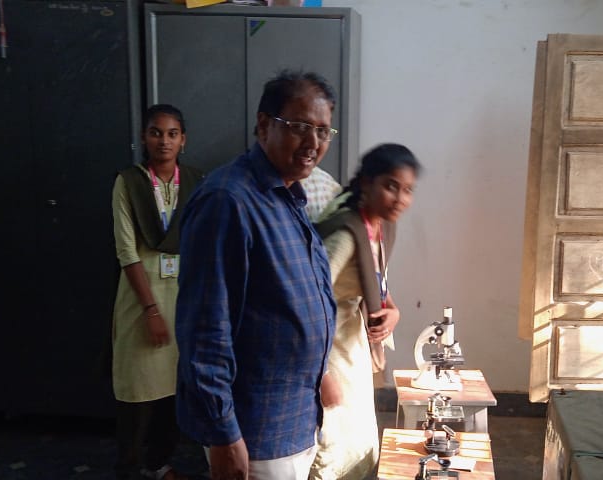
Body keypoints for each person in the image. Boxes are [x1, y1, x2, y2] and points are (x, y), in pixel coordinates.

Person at [175, 70, 338, 480]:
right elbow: (205, 329)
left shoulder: (288, 194)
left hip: (296, 417)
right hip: (256, 431)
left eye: (323, 131)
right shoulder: (228, 200)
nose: (314, 143)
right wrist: (223, 434)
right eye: (300, 126)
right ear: (264, 125)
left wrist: (321, 370)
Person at [310, 143, 422, 480]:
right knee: (331, 443)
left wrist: (393, 310)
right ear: (366, 183)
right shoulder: (346, 234)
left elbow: (375, 279)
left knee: (357, 438)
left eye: (408, 190)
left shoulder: (379, 224)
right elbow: (306, 302)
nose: (400, 199)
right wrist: (321, 377)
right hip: (324, 348)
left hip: (350, 341)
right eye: (391, 186)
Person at [111, 104, 204, 480]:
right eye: (156, 132)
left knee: (172, 389)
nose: (164, 141)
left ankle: (158, 463)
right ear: (143, 137)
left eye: (172, 134)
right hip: (140, 299)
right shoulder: (128, 182)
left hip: (182, 297)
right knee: (137, 389)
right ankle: (129, 465)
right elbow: (126, 251)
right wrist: (150, 310)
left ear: (183, 140)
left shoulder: (197, 181)